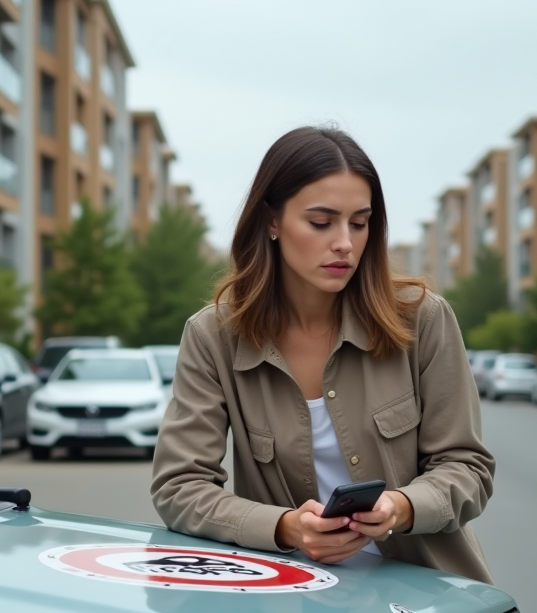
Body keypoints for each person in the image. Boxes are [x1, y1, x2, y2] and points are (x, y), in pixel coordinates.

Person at [150, 126, 494, 584]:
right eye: (320, 222)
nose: (345, 244)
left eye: (359, 222)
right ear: (271, 221)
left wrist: (402, 507)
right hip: (287, 605)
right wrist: (285, 526)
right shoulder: (213, 335)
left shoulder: (423, 320)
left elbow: (467, 467)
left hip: (425, 594)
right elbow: (179, 488)